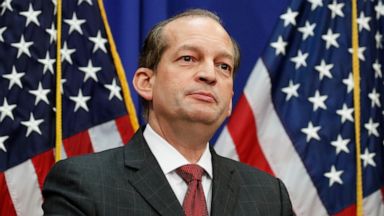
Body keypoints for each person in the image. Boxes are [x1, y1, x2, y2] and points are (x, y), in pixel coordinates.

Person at [42, 9, 295, 216]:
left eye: (223, 66)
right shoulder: (82, 183)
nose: (209, 74)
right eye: (188, 58)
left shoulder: (270, 196)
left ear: (229, 100)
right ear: (146, 82)